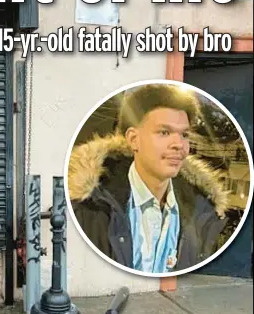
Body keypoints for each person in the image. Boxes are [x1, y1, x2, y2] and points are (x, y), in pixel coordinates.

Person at [68, 84, 230, 273]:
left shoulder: (203, 213)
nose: (179, 145)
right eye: (164, 132)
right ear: (133, 139)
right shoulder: (89, 208)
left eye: (184, 135)